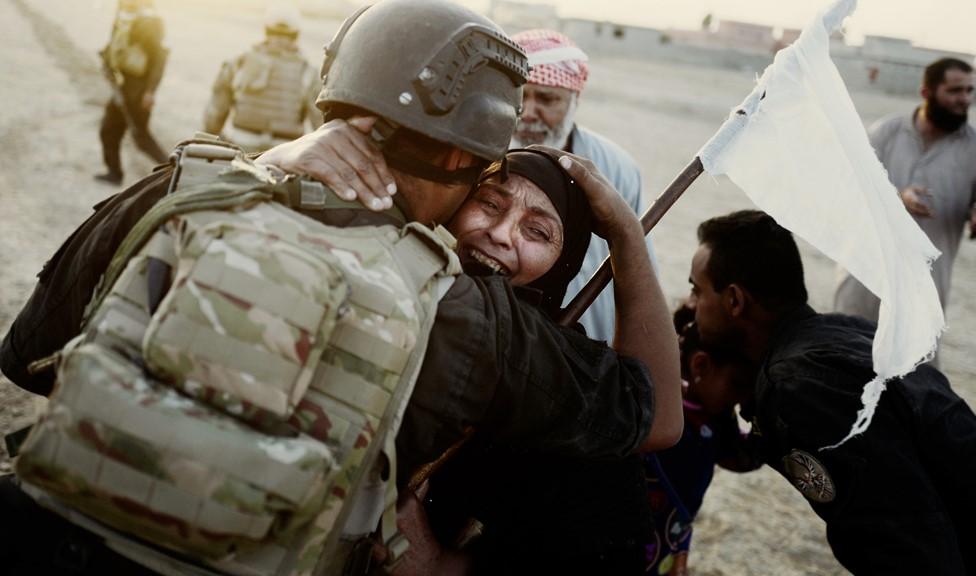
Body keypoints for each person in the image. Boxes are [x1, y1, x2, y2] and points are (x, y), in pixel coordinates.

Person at [0, 1, 682, 573]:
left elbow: (26, 356)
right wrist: (626, 236)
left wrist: (258, 167)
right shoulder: (467, 314)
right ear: (458, 157)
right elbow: (653, 416)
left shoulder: (185, 191)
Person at [385, 148, 658, 574]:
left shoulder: (568, 379)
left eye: (537, 231)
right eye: (490, 204)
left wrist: (441, 566)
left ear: (564, 262)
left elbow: (603, 557)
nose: (500, 233)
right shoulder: (392, 283)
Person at [688, 209, 976, 575]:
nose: (691, 306)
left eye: (697, 291)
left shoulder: (797, 389)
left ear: (734, 301)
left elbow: (904, 547)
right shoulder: (846, 332)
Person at [509, 29, 658, 342]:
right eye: (521, 96)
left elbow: (637, 262)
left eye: (547, 99)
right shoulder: (484, 151)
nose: (530, 112)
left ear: (575, 100)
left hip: (590, 331)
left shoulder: (617, 167)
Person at [834, 58, 976, 330]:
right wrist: (897, 199)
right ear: (927, 93)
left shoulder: (973, 149)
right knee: (847, 363)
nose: (965, 99)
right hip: (863, 282)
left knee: (917, 370)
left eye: (970, 91)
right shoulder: (887, 133)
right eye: (955, 90)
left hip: (923, 295)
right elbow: (845, 189)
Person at [642, 303, 762, 576]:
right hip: (629, 536)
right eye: (739, 385)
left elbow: (743, 457)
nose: (742, 398)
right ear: (700, 364)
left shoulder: (718, 418)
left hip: (672, 537)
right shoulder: (654, 401)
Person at [202, 2, 322, 152]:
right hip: (285, 151)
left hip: (243, 145)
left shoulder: (241, 62)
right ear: (296, 34)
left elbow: (216, 111)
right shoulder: (308, 71)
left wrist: (211, 135)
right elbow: (320, 123)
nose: (280, 39)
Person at [94, 0, 169, 185]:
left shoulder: (148, 23)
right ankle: (114, 173)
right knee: (109, 130)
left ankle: (174, 172)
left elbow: (159, 59)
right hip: (122, 84)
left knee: (141, 137)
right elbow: (116, 47)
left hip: (138, 89)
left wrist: (150, 91)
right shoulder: (124, 18)